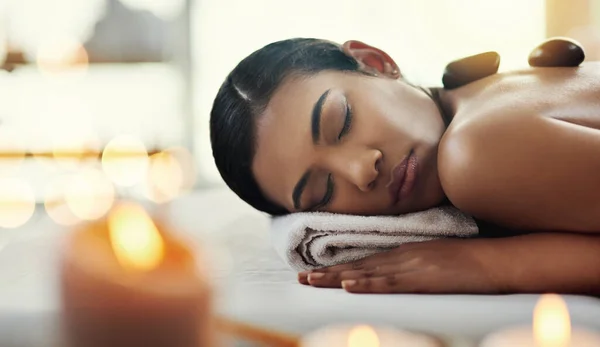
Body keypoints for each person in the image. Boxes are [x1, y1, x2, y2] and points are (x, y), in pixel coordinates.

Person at [210, 38, 600, 295]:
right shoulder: (483, 95)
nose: (362, 171)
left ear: (376, 62)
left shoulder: (473, 151)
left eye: (342, 121)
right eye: (324, 192)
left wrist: (495, 266)